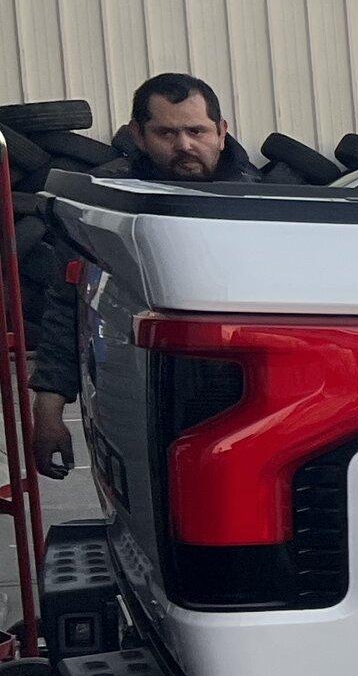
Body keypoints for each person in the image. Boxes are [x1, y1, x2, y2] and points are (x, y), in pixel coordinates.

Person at [25, 72, 260, 476]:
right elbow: (67, 301)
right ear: (138, 134)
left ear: (222, 132)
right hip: (131, 395)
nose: (185, 145)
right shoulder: (104, 209)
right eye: (166, 133)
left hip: (242, 400)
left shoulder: (267, 206)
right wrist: (48, 407)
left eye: (196, 130)